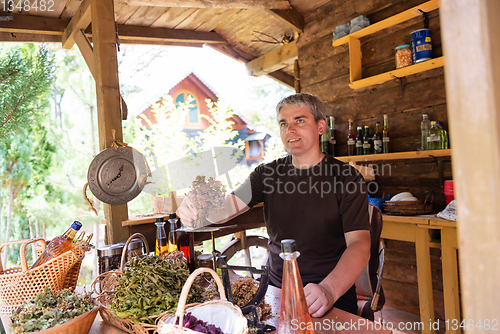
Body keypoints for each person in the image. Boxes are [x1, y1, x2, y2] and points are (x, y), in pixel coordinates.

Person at [177, 93, 370, 318]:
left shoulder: (347, 178)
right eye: (283, 124)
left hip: (330, 297)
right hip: (276, 291)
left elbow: (359, 245)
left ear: (320, 126)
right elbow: (226, 208)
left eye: (299, 121)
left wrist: (328, 290)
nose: (290, 130)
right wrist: (197, 210)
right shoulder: (266, 175)